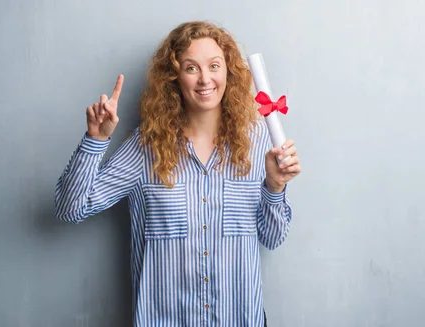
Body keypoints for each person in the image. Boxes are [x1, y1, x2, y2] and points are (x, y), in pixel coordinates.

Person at [55, 20, 301, 326]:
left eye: (214, 65)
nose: (205, 79)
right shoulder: (145, 148)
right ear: (174, 77)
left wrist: (275, 187)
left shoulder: (260, 143)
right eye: (191, 68)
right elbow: (70, 209)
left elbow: (274, 237)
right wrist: (97, 138)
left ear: (228, 72)